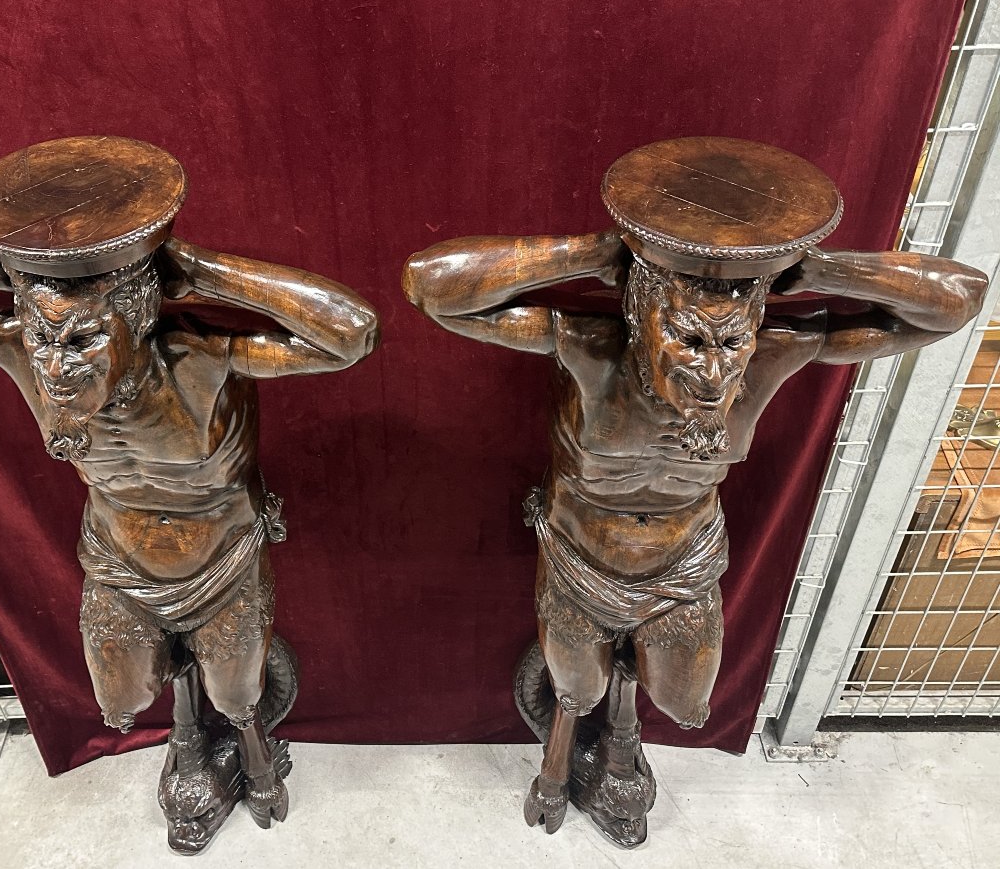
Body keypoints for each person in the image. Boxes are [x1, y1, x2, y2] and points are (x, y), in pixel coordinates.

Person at [403, 222, 986, 839]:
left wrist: (817, 271)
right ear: (641, 318)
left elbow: (957, 303)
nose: (713, 372)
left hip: (683, 562)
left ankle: (621, 708)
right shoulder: (592, 350)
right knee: (574, 693)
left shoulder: (771, 353)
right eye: (687, 339)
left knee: (685, 706)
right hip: (580, 554)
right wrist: (600, 256)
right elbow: (430, 287)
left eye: (730, 344)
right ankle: (575, 753)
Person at [0, 223, 378, 847]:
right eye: (44, 339)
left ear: (136, 320)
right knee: (122, 697)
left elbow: (352, 333)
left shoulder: (201, 359)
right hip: (119, 559)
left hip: (223, 557)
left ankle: (247, 746)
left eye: (82, 340)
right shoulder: (19, 350)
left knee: (239, 694)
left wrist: (195, 270)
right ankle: (186, 725)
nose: (57, 366)